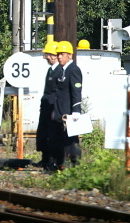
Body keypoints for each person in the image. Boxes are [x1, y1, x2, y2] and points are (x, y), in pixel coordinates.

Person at [49, 40, 82, 169]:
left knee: (71, 141)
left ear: (70, 55)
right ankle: (60, 164)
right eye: (58, 54)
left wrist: (76, 110)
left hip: (69, 113)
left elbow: (76, 90)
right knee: (59, 139)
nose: (59, 57)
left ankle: (76, 165)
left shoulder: (73, 70)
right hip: (60, 112)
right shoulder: (63, 70)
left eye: (62, 54)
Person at [36, 41, 61, 168]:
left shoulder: (60, 71)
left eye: (47, 54)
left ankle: (53, 160)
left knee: (53, 134)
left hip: (53, 108)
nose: (46, 57)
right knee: (43, 133)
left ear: (55, 55)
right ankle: (45, 158)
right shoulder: (50, 70)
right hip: (46, 106)